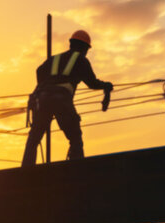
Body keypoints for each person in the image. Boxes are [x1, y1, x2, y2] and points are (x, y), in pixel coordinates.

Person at [22, 30, 114, 167]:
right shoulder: (81, 60)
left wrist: (46, 85)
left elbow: (39, 71)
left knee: (35, 136)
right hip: (61, 100)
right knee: (75, 138)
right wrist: (106, 85)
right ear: (84, 48)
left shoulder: (54, 59)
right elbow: (92, 83)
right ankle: (77, 170)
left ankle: (25, 171)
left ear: (71, 43)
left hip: (42, 98)